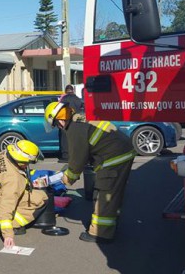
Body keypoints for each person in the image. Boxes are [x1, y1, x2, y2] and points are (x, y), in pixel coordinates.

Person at [44, 101, 135, 244]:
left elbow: (77, 160)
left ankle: (100, 233)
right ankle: (110, 225)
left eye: (56, 124)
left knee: (104, 193)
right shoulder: (80, 117)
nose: (58, 127)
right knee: (113, 193)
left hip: (114, 158)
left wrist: (66, 178)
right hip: (121, 152)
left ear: (60, 120)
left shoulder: (74, 128)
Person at [0, 140, 48, 248]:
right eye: (28, 162)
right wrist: (8, 235)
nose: (28, 165)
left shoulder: (3, 154)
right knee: (41, 198)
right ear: (21, 161)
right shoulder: (13, 180)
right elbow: (7, 204)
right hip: (0, 200)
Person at [57, 84, 85, 163]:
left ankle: (66, 157)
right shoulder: (78, 99)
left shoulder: (63, 99)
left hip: (66, 121)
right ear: (73, 91)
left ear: (65, 91)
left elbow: (59, 110)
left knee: (65, 140)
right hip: (77, 121)